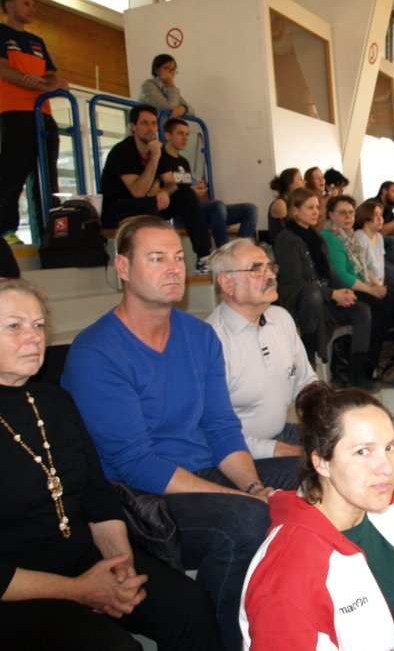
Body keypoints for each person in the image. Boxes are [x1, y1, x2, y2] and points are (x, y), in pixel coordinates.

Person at [61, 216, 299, 650]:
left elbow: (221, 426)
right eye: (156, 259)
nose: (174, 269)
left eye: (177, 258)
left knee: (312, 473)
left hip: (201, 472)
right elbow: (137, 464)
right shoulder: (97, 352)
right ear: (123, 268)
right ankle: (218, 634)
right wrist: (243, 499)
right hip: (139, 498)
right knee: (247, 519)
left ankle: (291, 616)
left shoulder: (198, 335)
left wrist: (252, 485)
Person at [0, 279, 223, 651]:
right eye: (14, 326)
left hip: (87, 560)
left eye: (38, 325)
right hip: (18, 588)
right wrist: (80, 590)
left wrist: (121, 564)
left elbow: (96, 495)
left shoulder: (53, 400)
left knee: (191, 606)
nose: (34, 337)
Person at [240, 382, 394, 649]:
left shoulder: (388, 508)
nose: (386, 468)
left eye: (390, 447)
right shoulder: (287, 570)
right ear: (322, 463)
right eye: (362, 452)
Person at [207, 238, 316, 460]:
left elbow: (304, 383)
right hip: (239, 452)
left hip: (281, 433)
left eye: (270, 267)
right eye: (257, 269)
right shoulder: (211, 340)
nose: (270, 276)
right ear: (227, 284)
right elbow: (212, 432)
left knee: (351, 448)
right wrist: (275, 449)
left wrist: (334, 417)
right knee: (317, 470)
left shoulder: (281, 318)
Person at [272, 188, 377, 387]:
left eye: (316, 207)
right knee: (312, 296)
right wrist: (332, 294)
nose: (316, 212)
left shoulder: (315, 237)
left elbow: (329, 273)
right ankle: (308, 355)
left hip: (323, 297)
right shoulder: (286, 238)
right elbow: (295, 280)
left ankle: (357, 373)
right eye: (310, 207)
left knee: (362, 310)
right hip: (299, 301)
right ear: (295, 210)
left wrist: (344, 291)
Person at [100, 104, 212, 274]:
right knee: (149, 204)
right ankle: (156, 260)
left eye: (153, 123)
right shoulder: (122, 151)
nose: (151, 128)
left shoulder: (156, 150)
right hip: (117, 208)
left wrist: (165, 191)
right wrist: (155, 158)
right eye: (144, 123)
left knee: (186, 194)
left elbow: (171, 183)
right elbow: (138, 191)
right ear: (133, 126)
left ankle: (204, 257)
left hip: (147, 204)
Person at [0, 0, 68, 243]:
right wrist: (43, 85)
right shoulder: (1, 33)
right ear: (9, 6)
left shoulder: (37, 42)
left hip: (43, 115)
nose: (32, 8)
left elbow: (53, 76)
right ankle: (5, 231)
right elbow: (5, 70)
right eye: (26, 3)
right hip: (15, 113)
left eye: (32, 3)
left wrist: (43, 83)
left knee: (47, 179)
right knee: (12, 175)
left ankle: (51, 236)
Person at [322, 194, 394, 355]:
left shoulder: (349, 235)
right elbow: (341, 275)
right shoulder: (330, 237)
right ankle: (370, 360)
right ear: (331, 215)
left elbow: (363, 267)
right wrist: (371, 289)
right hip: (344, 289)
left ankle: (392, 350)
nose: (348, 217)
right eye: (342, 212)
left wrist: (374, 284)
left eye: (351, 212)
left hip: (361, 284)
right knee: (383, 307)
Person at [160, 118, 258, 248]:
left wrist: (196, 188)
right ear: (167, 135)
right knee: (217, 206)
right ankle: (223, 252)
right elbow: (168, 191)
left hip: (197, 209)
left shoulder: (184, 162)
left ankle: (240, 251)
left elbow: (186, 189)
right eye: (180, 133)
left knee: (250, 209)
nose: (185, 138)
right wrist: (190, 191)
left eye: (187, 134)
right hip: (180, 215)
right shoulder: (161, 159)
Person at [138, 54, 193, 118]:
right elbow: (170, 108)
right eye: (166, 68)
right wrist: (171, 85)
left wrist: (184, 108)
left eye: (173, 69)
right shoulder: (147, 85)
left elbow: (192, 111)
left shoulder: (167, 88)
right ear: (156, 70)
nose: (170, 72)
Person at [267, 168, 303, 243]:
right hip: (283, 245)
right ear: (290, 183)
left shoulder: (293, 203)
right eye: (300, 179)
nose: (304, 182)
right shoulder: (280, 203)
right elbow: (294, 227)